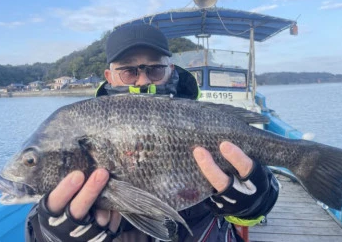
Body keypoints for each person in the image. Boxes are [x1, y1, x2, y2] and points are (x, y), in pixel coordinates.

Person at [25, 24, 279, 242]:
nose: (143, 81)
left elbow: (257, 207)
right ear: (109, 76)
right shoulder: (75, 130)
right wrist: (49, 232)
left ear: (170, 69)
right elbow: (40, 220)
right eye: (128, 71)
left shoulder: (207, 119)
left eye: (155, 69)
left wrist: (255, 202)